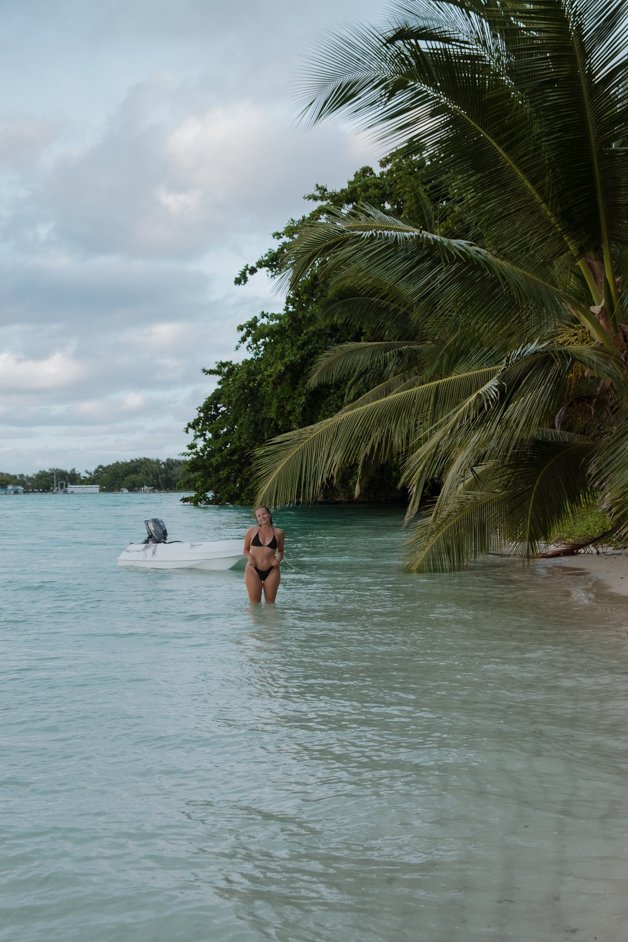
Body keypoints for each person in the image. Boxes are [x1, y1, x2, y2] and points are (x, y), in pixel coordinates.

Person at [243, 505, 284, 603]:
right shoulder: (252, 531)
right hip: (253, 569)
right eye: (259, 516)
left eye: (264, 514)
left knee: (270, 605)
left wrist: (278, 560)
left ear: (269, 514)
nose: (262, 517)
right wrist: (250, 557)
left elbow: (281, 551)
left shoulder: (279, 532)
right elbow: (245, 550)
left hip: (272, 570)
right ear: (257, 518)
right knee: (254, 604)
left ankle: (270, 619)